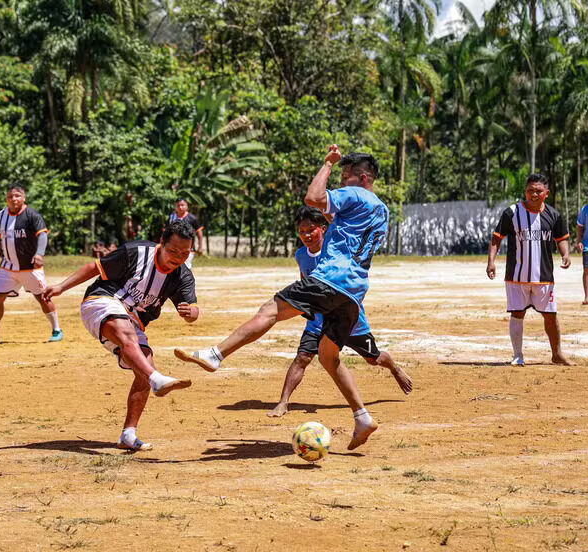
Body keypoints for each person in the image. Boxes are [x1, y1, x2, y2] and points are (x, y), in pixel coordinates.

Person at [175, 148, 386, 451]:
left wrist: (327, 164)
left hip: (330, 279)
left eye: (346, 176)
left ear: (362, 178)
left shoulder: (355, 194)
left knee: (270, 310)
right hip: (354, 291)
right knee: (328, 357)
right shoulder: (381, 209)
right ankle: (362, 416)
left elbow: (313, 198)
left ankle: (215, 355)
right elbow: (334, 219)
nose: (342, 181)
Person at [41, 220, 198, 450]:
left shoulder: (182, 276)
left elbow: (193, 309)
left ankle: (128, 434)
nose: (178, 257)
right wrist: (61, 287)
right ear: (161, 242)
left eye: (184, 253)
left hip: (132, 320)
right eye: (173, 251)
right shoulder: (136, 252)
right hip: (102, 302)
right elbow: (94, 268)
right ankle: (156, 379)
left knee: (143, 367)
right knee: (132, 343)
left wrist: (191, 313)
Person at [268, 207, 412, 418]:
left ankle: (394, 368)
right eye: (301, 231)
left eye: (311, 230)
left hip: (348, 320)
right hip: (317, 320)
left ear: (324, 229)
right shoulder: (301, 255)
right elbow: (304, 280)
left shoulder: (336, 251)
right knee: (302, 357)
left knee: (374, 359)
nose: (306, 235)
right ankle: (283, 402)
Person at [487, 173, 572, 366]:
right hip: (517, 276)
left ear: (546, 193)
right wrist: (491, 261)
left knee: (551, 315)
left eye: (538, 191)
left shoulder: (554, 215)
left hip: (544, 277)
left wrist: (565, 254)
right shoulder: (512, 213)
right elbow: (496, 238)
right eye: (530, 190)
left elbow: (561, 239)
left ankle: (557, 354)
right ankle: (517, 356)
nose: (534, 194)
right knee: (517, 314)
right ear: (525, 191)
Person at [0, 185, 63, 344]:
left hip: (30, 267)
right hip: (7, 267)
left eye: (17, 196)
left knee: (42, 298)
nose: (13, 199)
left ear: (24, 197)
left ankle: (56, 329)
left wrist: (39, 253)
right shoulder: (1, 216)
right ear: (6, 199)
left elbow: (42, 235)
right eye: (10, 196)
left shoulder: (32, 215)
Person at [167, 199, 204, 268]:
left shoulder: (192, 218)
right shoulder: (171, 217)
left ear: (187, 206)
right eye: (178, 205)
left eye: (182, 205)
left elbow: (199, 233)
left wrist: (200, 247)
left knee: (186, 268)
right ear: (175, 206)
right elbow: (166, 232)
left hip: (188, 249)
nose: (180, 207)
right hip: (173, 249)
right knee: (173, 268)